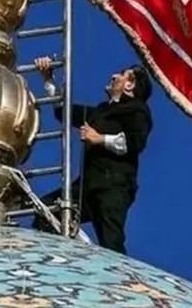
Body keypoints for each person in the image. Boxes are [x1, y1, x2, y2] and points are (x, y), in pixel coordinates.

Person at [30, 55, 153, 254]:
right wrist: (48, 78)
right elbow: (64, 112)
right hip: (87, 185)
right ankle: (63, 253)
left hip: (113, 186)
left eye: (122, 75)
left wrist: (100, 138)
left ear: (130, 85)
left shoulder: (137, 110)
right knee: (47, 211)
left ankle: (115, 273)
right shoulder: (100, 112)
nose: (114, 76)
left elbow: (134, 142)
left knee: (111, 241)